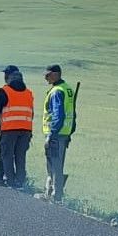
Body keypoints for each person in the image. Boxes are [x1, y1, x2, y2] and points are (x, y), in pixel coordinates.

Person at [0, 65, 34, 189]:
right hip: (25, 130)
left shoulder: (5, 91)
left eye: (6, 75)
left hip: (9, 129)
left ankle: (10, 181)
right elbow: (31, 113)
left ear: (9, 77)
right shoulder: (28, 93)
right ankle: (20, 181)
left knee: (7, 155)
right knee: (20, 156)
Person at [42, 64, 77, 201]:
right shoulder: (67, 88)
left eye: (48, 75)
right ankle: (53, 193)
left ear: (56, 74)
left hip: (56, 134)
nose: (46, 78)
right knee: (58, 164)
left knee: (54, 165)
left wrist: (51, 135)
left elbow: (58, 115)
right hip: (64, 133)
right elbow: (73, 113)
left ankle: (55, 196)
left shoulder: (57, 91)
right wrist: (70, 131)